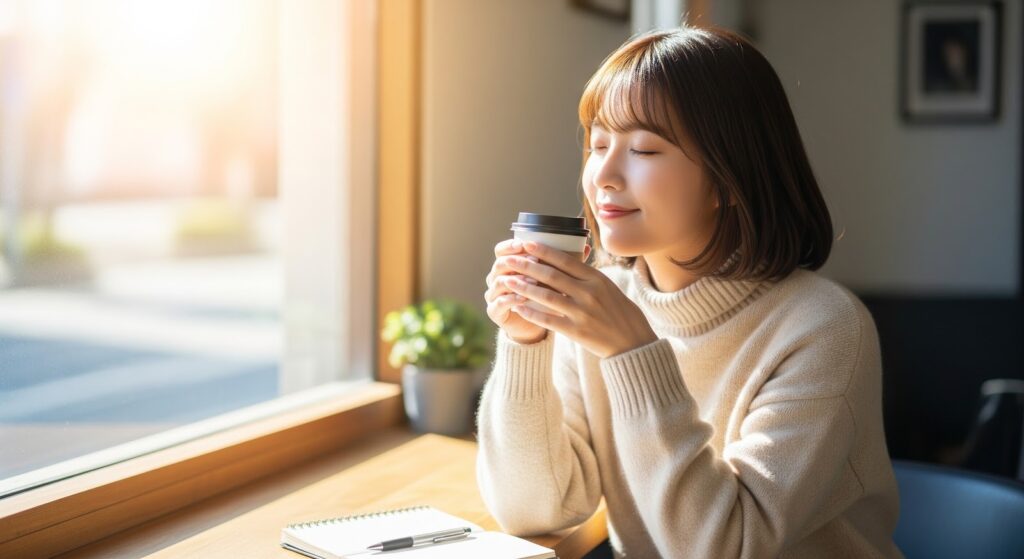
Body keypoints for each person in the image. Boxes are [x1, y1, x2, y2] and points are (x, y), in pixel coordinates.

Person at [477, 24, 904, 559]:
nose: (604, 175)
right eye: (598, 144)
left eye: (645, 150)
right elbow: (533, 511)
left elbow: (724, 546)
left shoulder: (825, 328)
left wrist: (633, 352)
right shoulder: (600, 305)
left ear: (729, 178)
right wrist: (526, 343)